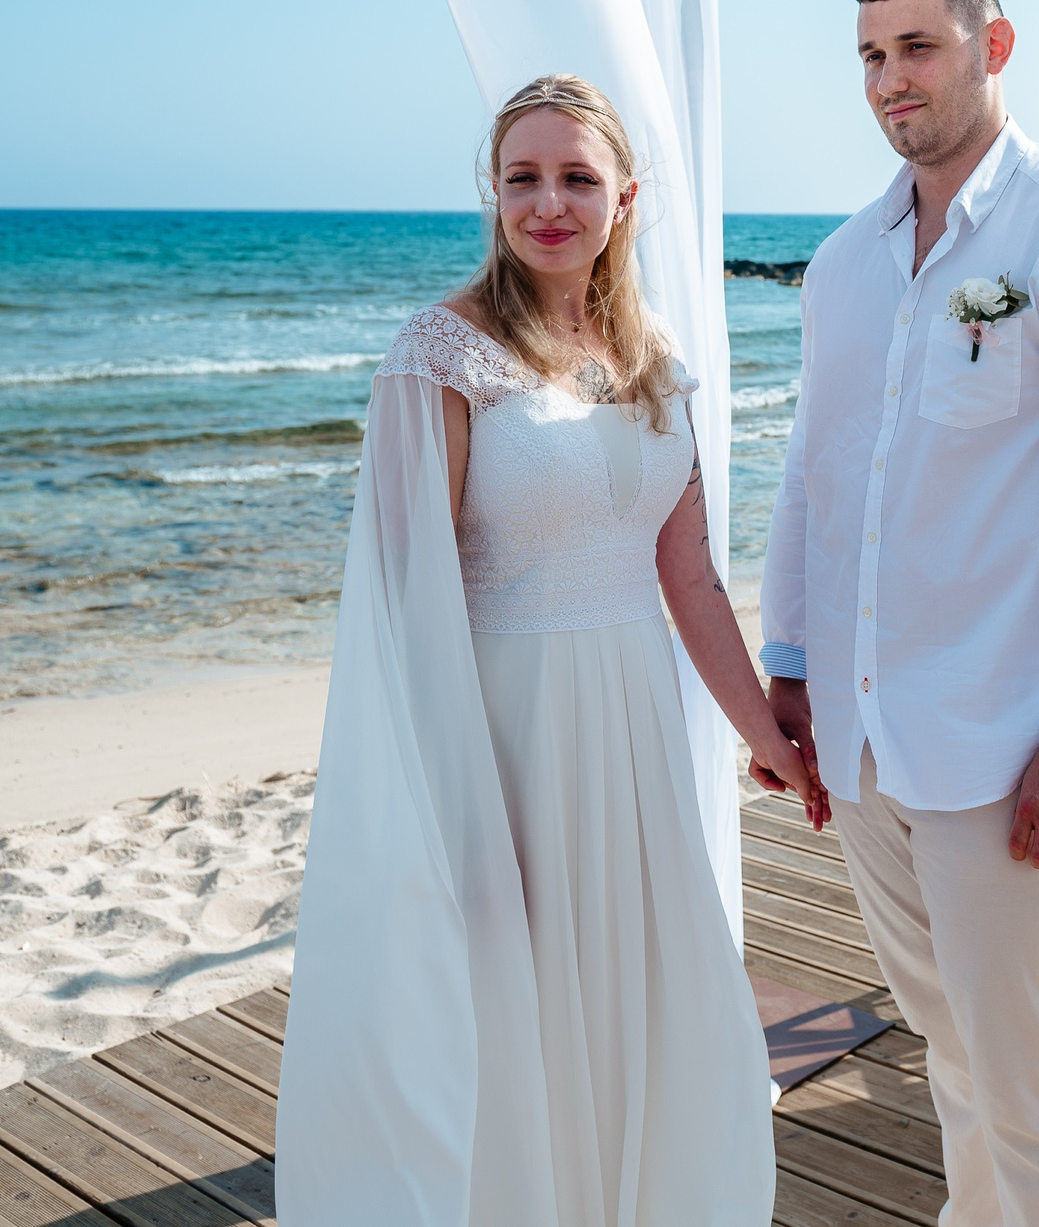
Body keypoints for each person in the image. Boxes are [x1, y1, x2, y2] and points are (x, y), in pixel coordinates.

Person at [276, 74, 826, 1226]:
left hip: (634, 732)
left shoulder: (655, 360)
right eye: (521, 177)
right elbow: (405, 600)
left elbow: (688, 578)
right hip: (504, 731)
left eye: (577, 177)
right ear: (493, 191)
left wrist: (766, 734)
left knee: (634, 987)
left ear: (625, 198)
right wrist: (448, 800)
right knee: (507, 1005)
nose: (548, 203)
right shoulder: (439, 353)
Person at [760, 0, 1039, 1224]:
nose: (890, 80)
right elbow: (813, 477)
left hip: (1009, 743)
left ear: (993, 48)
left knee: (1035, 1080)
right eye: (870, 57)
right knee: (953, 1055)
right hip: (863, 738)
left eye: (917, 47)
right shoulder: (843, 263)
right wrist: (790, 671)